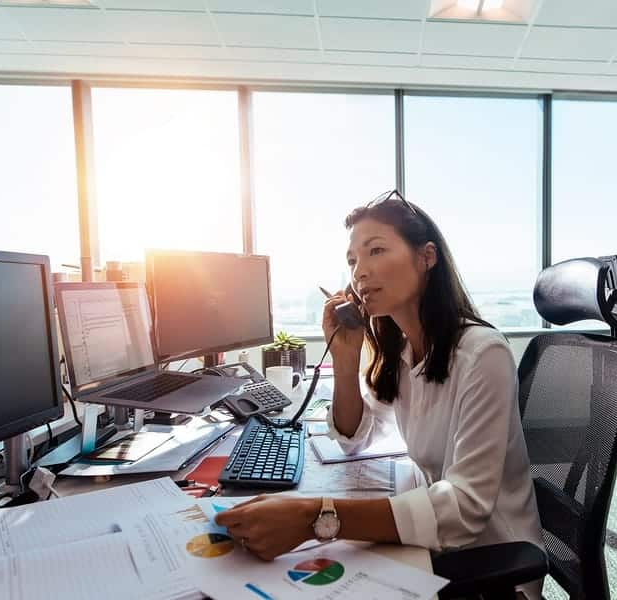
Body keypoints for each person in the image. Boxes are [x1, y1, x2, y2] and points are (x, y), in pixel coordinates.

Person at [215, 190, 544, 598]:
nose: (360, 272)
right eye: (353, 260)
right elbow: (355, 439)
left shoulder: (482, 353)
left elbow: (465, 508)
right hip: (434, 545)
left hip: (490, 567)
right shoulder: (403, 352)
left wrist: (314, 516)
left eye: (376, 251)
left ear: (427, 257)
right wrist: (347, 357)